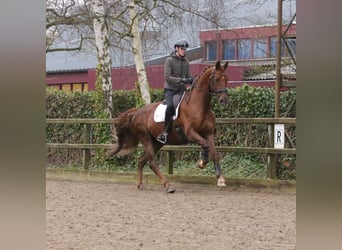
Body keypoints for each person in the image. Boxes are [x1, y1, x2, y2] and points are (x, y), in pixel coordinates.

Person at [156, 39, 193, 144]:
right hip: (170, 90)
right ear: (176, 49)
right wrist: (181, 80)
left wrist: (191, 80)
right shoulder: (169, 60)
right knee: (171, 107)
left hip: (181, 90)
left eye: (185, 49)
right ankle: (164, 133)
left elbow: (189, 75)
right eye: (182, 49)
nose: (184, 51)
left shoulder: (186, 62)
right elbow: (168, 77)